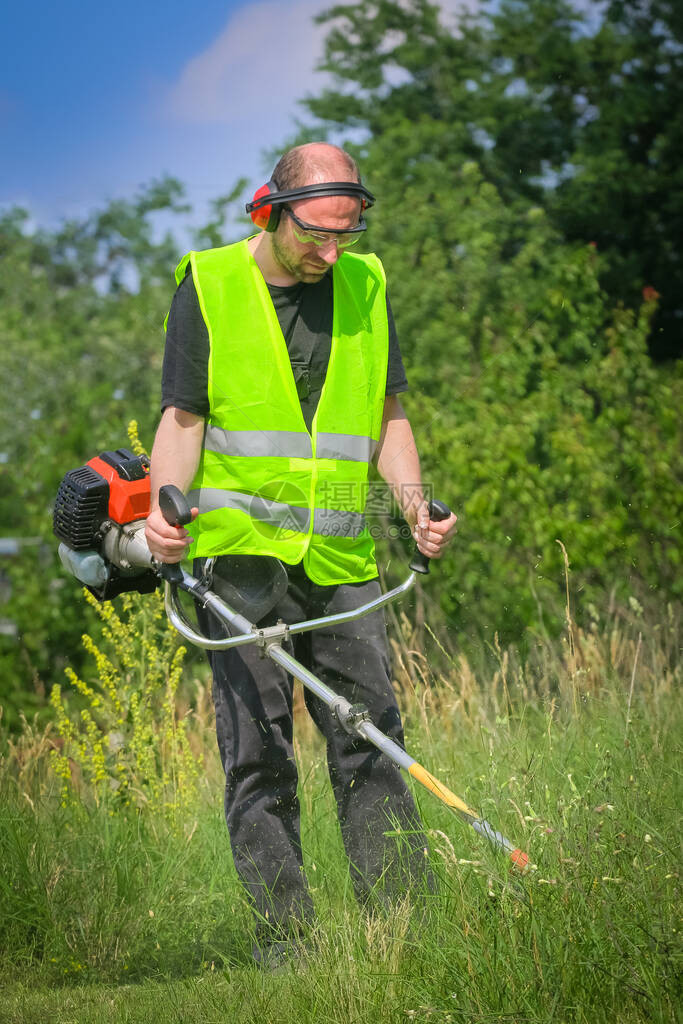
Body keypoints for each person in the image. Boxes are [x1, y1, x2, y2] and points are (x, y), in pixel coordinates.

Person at [144, 143, 457, 962]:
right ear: (271, 211)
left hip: (343, 559)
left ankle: (404, 935)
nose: (329, 253)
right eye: (314, 236)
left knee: (373, 738)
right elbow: (183, 419)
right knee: (259, 754)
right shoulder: (209, 284)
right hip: (237, 559)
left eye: (343, 237)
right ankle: (288, 946)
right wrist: (160, 519)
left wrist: (416, 507)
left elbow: (387, 412)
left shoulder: (366, 282)